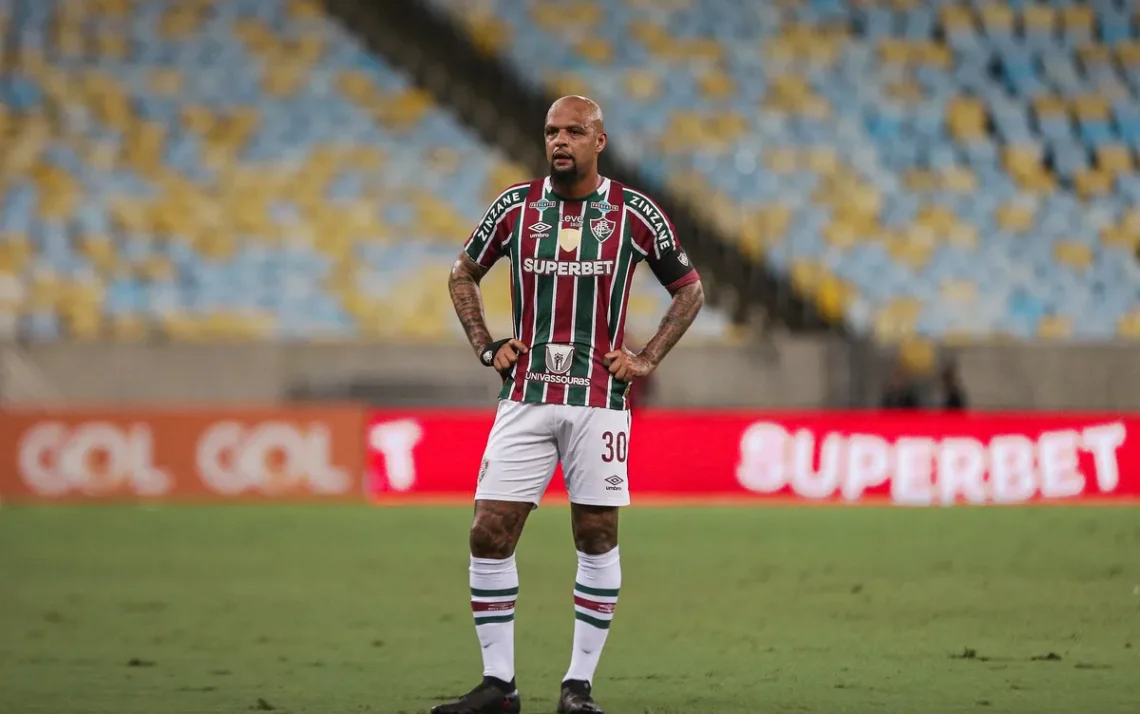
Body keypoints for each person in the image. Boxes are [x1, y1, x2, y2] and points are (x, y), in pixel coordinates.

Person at [437, 95, 704, 714]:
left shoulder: (635, 213)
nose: (560, 141)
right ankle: (498, 684)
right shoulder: (515, 207)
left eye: (574, 131)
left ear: (598, 142)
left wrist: (647, 357)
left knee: (596, 532)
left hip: (600, 402)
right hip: (525, 398)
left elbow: (688, 290)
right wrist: (486, 345)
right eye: (552, 131)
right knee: (489, 531)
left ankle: (577, 687)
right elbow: (461, 273)